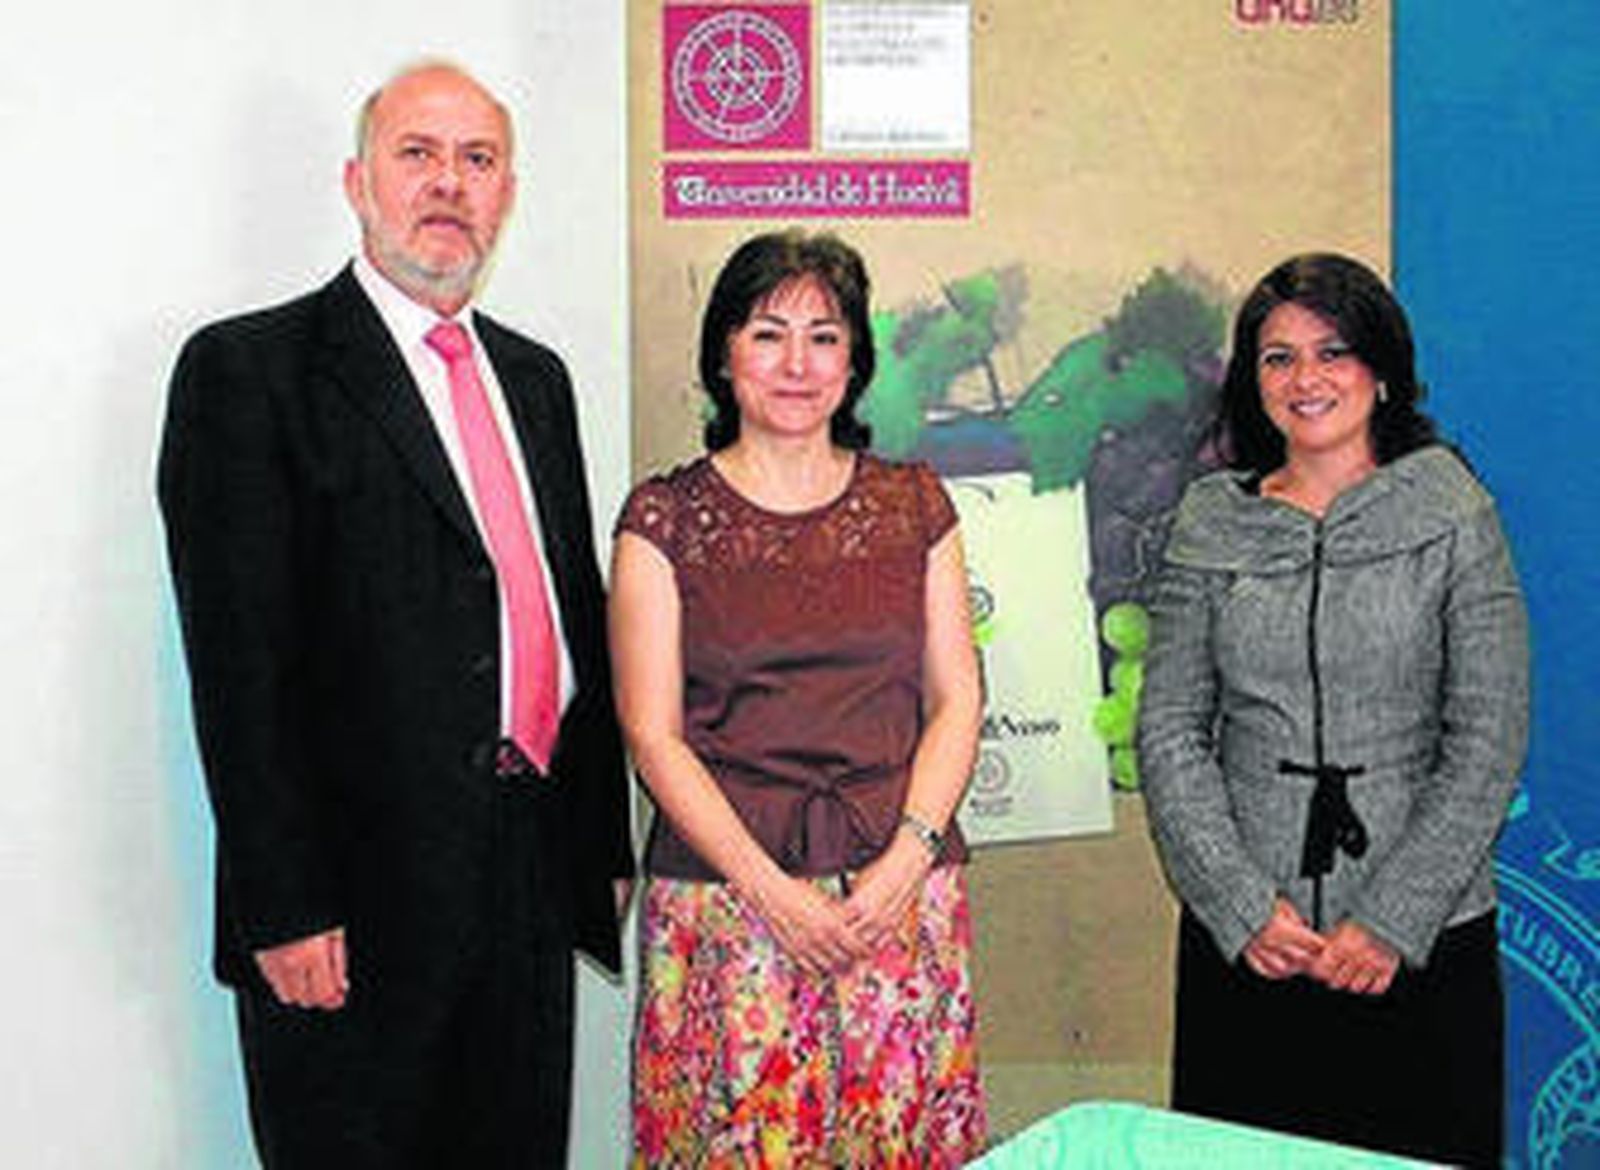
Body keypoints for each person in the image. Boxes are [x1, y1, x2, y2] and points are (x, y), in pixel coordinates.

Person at [158, 61, 632, 1169]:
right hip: (348, 904)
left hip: (525, 875)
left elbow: (573, 614)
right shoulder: (250, 373)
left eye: (477, 160)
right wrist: (283, 903)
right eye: (417, 154)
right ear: (358, 182)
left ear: (507, 192)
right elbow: (239, 666)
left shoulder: (538, 380)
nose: (447, 184)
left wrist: (596, 843)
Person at [1137, 252, 1529, 1167]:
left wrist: (1392, 918)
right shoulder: (1211, 519)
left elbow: (1489, 732)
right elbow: (1170, 728)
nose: (1305, 379)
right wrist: (1238, 904)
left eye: (1332, 351)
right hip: (1252, 947)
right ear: (1253, 381)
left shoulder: (1454, 511)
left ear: (1382, 369)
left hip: (1422, 945)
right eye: (1277, 358)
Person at [609, 229, 987, 1166]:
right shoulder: (662, 519)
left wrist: (907, 859)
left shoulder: (915, 506)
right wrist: (770, 892)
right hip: (728, 909)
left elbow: (957, 702)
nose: (796, 362)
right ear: (723, 356)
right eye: (767, 332)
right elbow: (652, 736)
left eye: (823, 336)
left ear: (854, 361)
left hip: (896, 902)